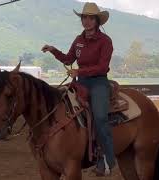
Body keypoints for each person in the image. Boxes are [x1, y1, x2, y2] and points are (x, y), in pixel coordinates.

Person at [41, 2, 115, 176]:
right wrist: (53, 50)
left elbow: (103, 67)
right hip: (80, 82)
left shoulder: (105, 41)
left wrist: (79, 71)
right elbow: (68, 59)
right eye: (84, 18)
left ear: (97, 21)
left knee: (100, 117)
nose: (87, 21)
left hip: (98, 83)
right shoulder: (79, 40)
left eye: (90, 18)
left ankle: (106, 159)